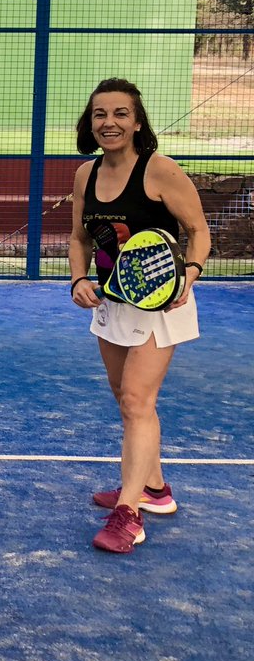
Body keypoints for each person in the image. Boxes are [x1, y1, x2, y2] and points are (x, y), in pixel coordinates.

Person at [69, 77, 211, 554]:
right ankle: (154, 489)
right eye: (100, 115)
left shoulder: (161, 171)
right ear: (90, 124)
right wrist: (77, 279)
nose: (109, 123)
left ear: (137, 121)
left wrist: (188, 274)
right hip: (111, 300)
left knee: (135, 398)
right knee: (124, 396)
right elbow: (79, 238)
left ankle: (129, 514)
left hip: (160, 306)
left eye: (120, 114)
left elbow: (198, 230)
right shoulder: (85, 175)